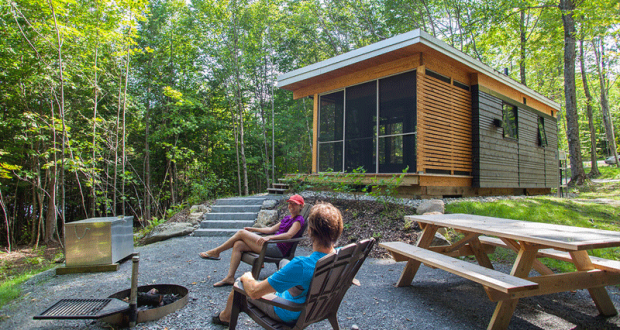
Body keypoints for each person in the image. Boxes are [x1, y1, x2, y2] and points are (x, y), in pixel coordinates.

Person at [211, 202, 344, 326]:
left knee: (239, 285)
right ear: (338, 230)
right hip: (316, 307)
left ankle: (224, 317)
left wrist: (247, 277)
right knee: (285, 263)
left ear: (310, 231)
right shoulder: (341, 255)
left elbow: (254, 292)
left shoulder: (301, 265)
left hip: (286, 310)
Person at [199, 194, 307, 287]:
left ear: (301, 206)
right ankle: (230, 277)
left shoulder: (299, 220)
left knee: (241, 233)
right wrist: (252, 229)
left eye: (295, 204)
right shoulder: (287, 218)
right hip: (270, 245)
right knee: (238, 244)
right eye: (290, 203)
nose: (291, 206)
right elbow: (270, 229)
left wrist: (270, 238)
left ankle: (216, 252)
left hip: (277, 249)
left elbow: (289, 235)